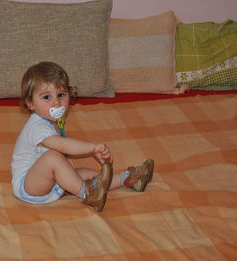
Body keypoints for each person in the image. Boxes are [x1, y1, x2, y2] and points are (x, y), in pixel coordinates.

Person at [11, 62, 154, 212]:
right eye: (46, 97)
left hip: (49, 183)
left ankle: (128, 179)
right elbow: (64, 146)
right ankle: (88, 195)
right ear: (31, 103)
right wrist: (92, 148)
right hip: (29, 186)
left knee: (84, 173)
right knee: (53, 157)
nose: (56, 102)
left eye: (61, 95)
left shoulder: (52, 121)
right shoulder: (37, 127)